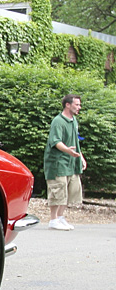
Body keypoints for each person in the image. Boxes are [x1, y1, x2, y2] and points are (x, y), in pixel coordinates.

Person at [44, 94, 86, 231]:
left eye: (79, 105)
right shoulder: (58, 121)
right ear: (68, 105)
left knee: (69, 189)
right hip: (58, 162)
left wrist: (81, 157)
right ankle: (53, 219)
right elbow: (56, 142)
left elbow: (75, 141)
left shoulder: (73, 121)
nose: (79, 107)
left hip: (71, 161)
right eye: (77, 104)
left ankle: (61, 217)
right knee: (58, 189)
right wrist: (68, 151)